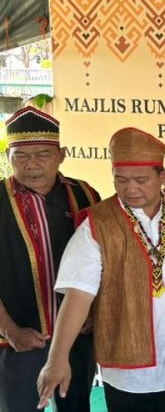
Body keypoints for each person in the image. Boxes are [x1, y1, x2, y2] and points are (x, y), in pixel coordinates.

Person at [37, 127, 165, 412]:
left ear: (163, 176)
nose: (130, 189)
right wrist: (57, 358)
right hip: (130, 369)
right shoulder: (97, 224)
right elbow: (78, 296)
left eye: (141, 180)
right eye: (120, 179)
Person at [0, 106, 99, 412]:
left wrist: (94, 313)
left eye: (43, 154)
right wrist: (9, 330)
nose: (31, 165)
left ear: (62, 155)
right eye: (20, 156)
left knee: (76, 406)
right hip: (20, 341)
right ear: (8, 157)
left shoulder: (85, 195)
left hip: (77, 337)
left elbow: (103, 263)